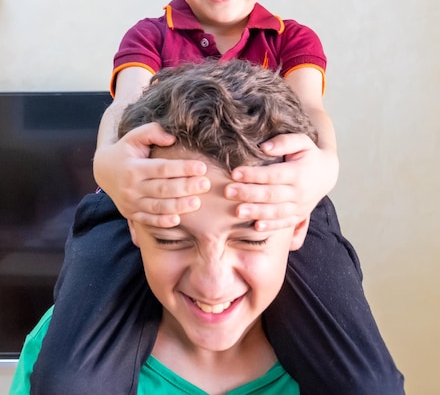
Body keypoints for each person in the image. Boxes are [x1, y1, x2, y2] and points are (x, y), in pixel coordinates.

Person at [29, 0, 404, 394]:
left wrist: (321, 171)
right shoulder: (150, 36)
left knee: (367, 382)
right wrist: (110, 169)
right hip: (147, 197)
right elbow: (124, 105)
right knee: (69, 381)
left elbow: (312, 112)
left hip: (274, 200)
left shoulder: (293, 39)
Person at [12, 60, 320, 394]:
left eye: (251, 238)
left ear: (298, 226)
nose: (212, 285)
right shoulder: (59, 346)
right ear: (132, 222)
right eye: (171, 239)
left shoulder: (335, 370)